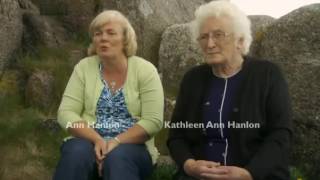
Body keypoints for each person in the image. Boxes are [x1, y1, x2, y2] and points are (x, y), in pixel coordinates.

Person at [167, 1, 292, 180]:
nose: (210, 44)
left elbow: (281, 134)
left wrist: (249, 173)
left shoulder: (268, 74)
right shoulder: (192, 79)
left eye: (218, 35)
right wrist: (190, 165)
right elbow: (176, 135)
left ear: (240, 41)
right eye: (203, 37)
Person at [53, 10, 164, 180]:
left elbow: (153, 121)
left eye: (111, 33)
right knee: (76, 152)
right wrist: (97, 140)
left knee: (118, 158)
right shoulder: (84, 67)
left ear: (125, 39)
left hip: (132, 146)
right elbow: (65, 113)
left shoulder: (146, 70)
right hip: (89, 139)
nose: (103, 38)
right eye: (98, 34)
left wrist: (116, 141)